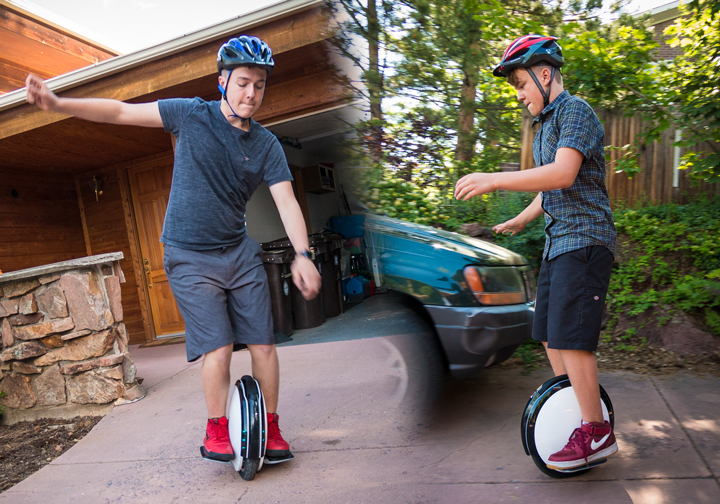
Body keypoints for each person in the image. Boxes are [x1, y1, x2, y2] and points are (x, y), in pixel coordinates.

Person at [26, 35, 322, 463]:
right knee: (218, 348)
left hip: (238, 252)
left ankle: (271, 428)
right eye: (242, 82)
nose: (251, 94)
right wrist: (58, 103)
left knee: (264, 345)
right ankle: (216, 430)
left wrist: (303, 254)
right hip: (188, 255)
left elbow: (287, 201)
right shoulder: (190, 115)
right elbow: (120, 111)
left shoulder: (266, 145)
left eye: (259, 85)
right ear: (222, 80)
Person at [454, 35, 618, 471]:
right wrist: (522, 219)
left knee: (570, 336)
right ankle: (577, 409)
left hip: (585, 238)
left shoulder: (575, 111)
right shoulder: (544, 125)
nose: (520, 93)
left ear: (545, 74)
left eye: (522, 84)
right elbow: (550, 187)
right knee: (547, 330)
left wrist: (493, 179)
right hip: (558, 241)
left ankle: (596, 432)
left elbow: (564, 174)